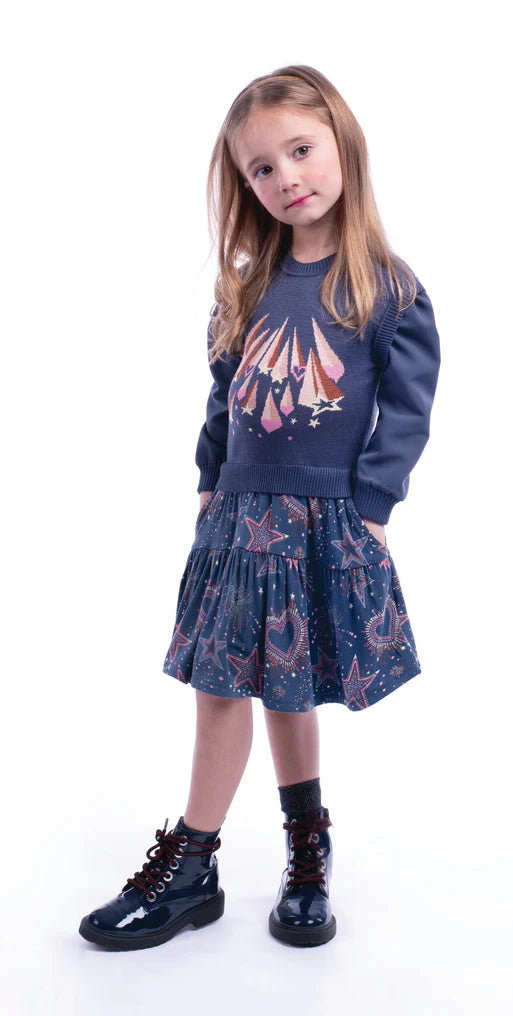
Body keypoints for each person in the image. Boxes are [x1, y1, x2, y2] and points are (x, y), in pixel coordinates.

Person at [79, 63, 441, 952]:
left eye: (301, 151)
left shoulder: (385, 289)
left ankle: (305, 854)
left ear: (342, 144)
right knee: (219, 691)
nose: (287, 178)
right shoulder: (245, 285)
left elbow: (408, 408)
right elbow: (225, 394)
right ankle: (194, 866)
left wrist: (371, 505)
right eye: (262, 168)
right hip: (239, 521)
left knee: (289, 690)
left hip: (323, 523)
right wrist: (210, 477)